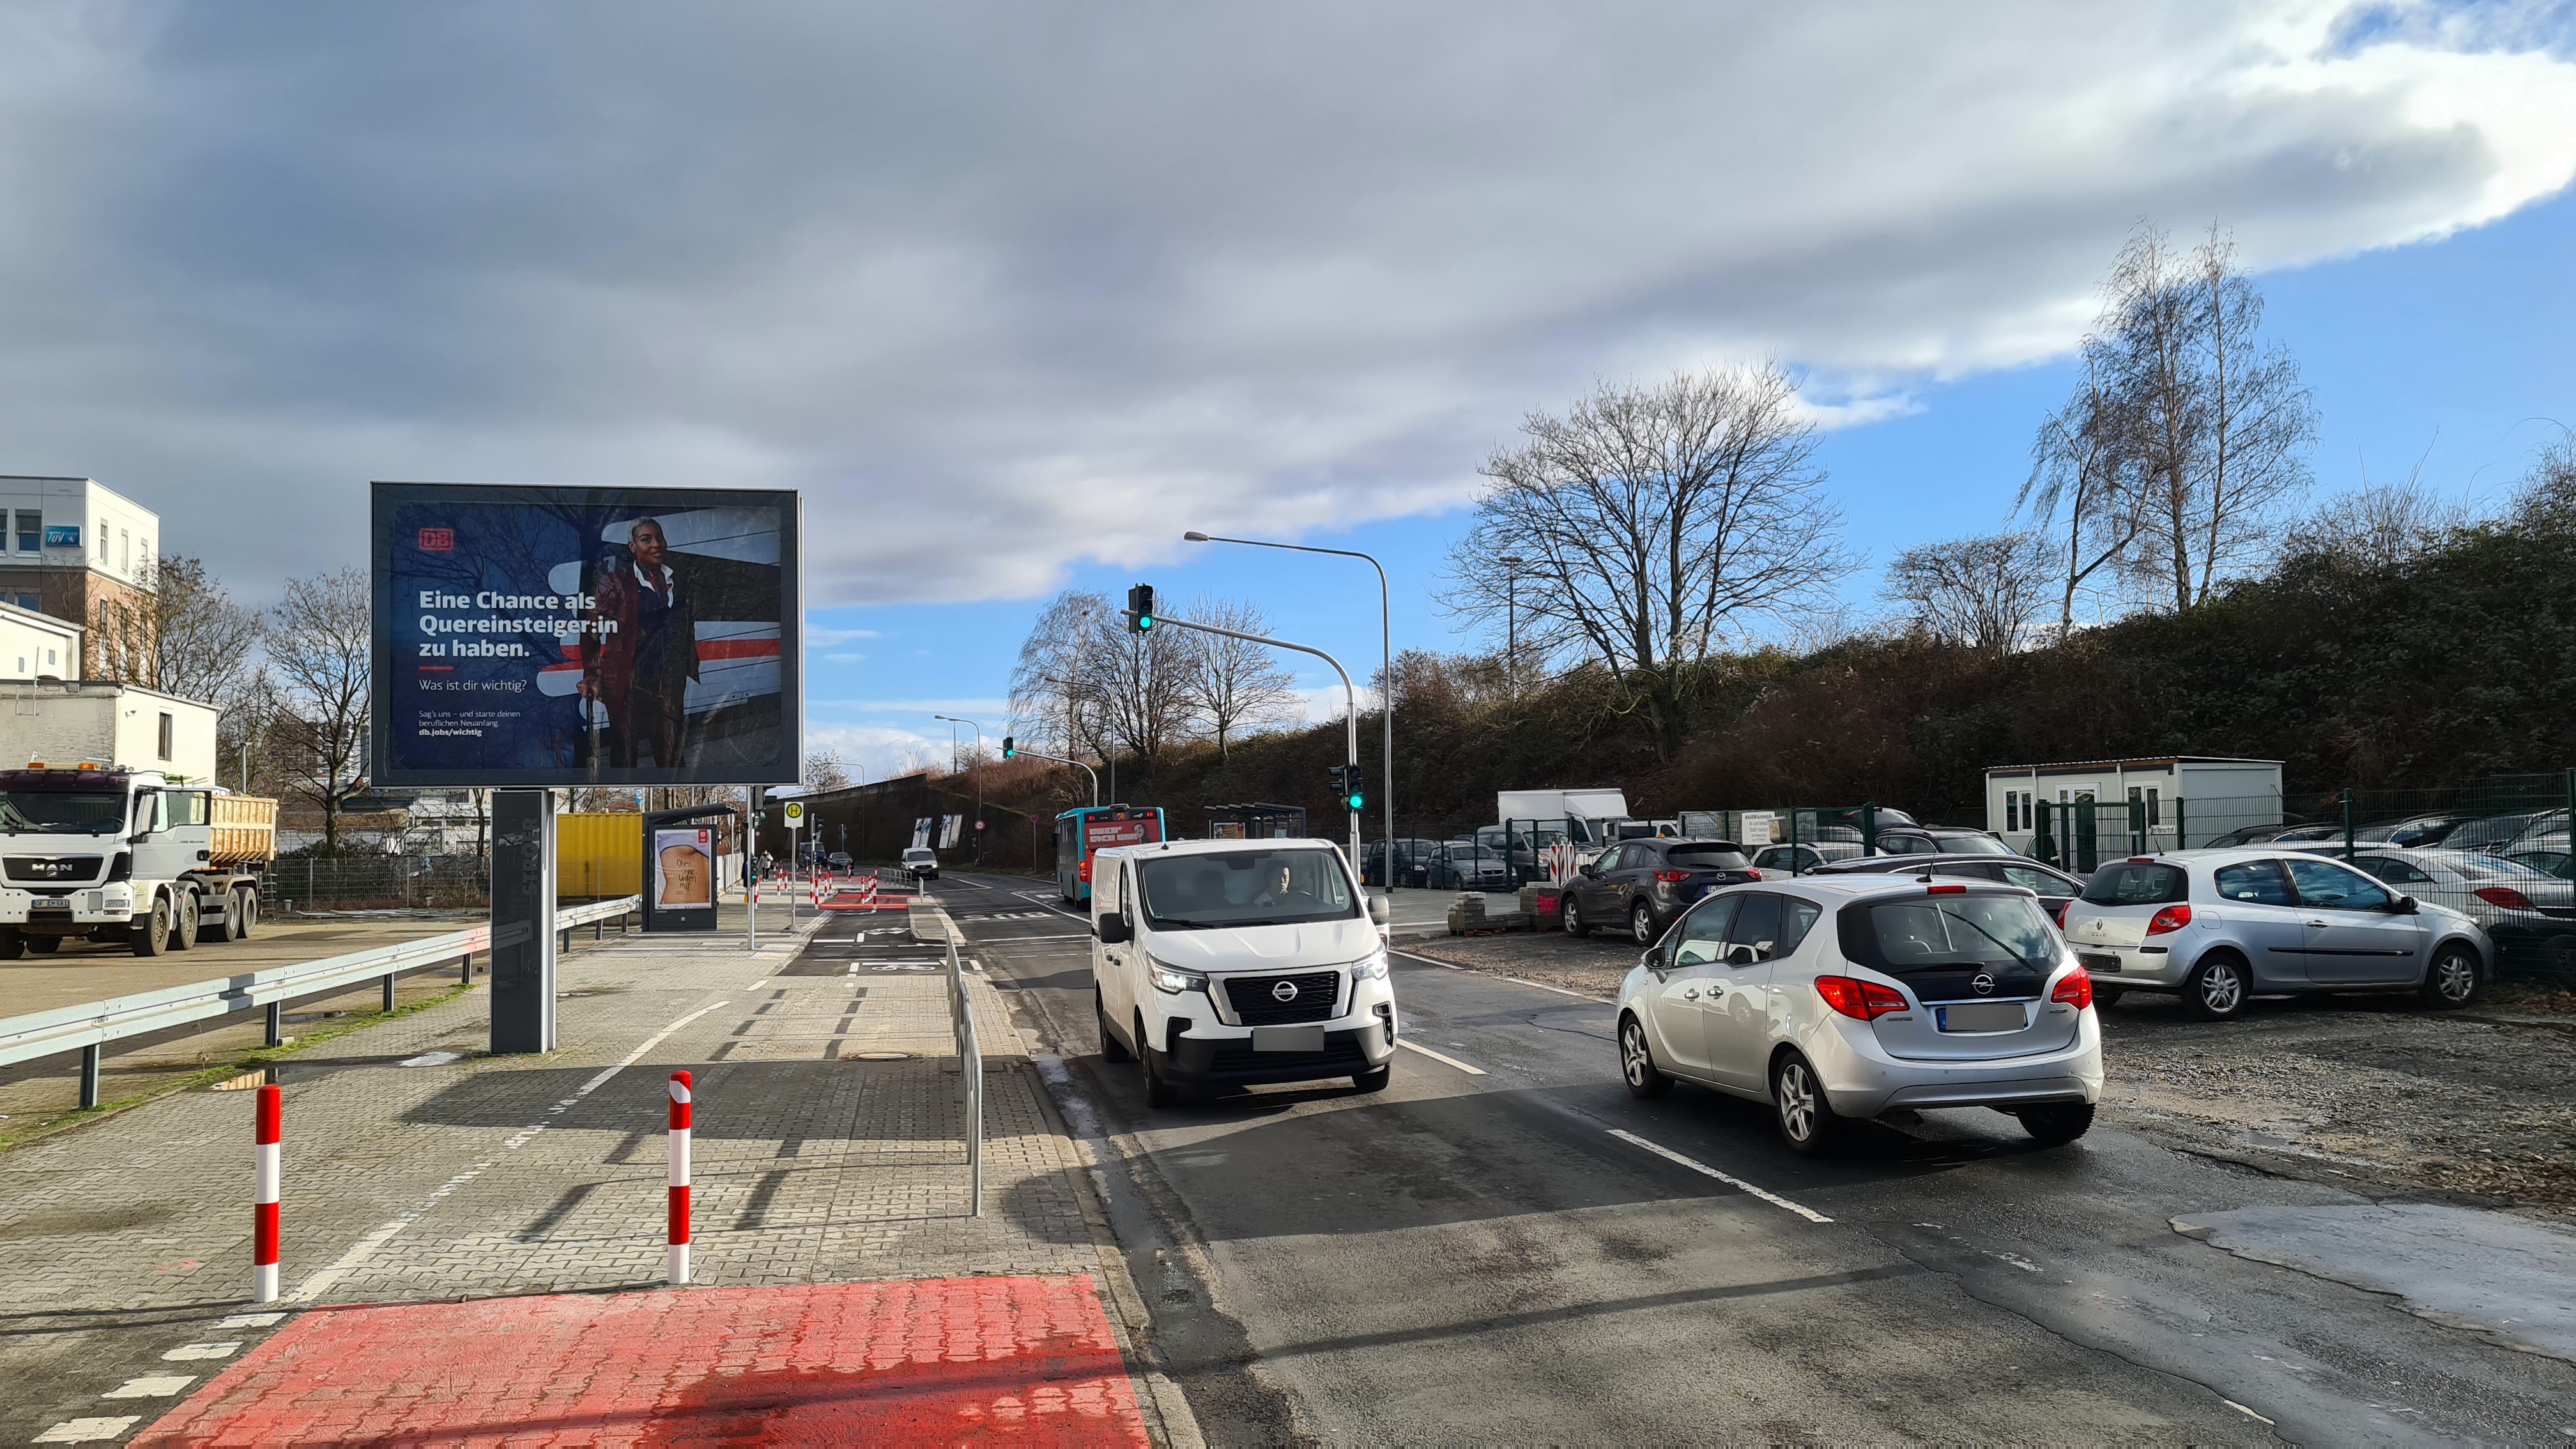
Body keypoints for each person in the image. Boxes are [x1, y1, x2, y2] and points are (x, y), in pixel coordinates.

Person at [578, 518, 700, 769]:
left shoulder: (678, 582)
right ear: (632, 547)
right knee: (624, 757)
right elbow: (591, 631)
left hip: (669, 684)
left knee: (672, 759)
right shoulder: (615, 583)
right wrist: (591, 674)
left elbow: (687, 626)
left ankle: (676, 794)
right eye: (646, 539)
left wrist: (686, 665)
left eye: (660, 538)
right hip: (627, 686)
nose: (656, 544)